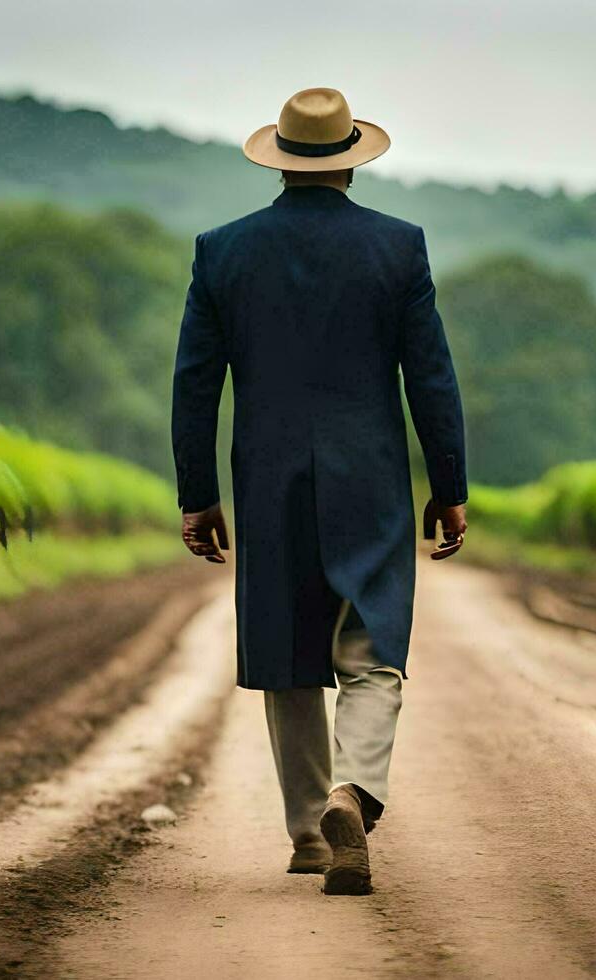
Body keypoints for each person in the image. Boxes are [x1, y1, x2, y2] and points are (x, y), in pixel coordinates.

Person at [170, 87, 468, 896]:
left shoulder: (221, 251)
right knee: (371, 648)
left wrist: (197, 495)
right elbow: (430, 379)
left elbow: (195, 385)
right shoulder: (397, 248)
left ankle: (309, 833)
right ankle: (354, 793)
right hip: (368, 477)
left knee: (288, 654)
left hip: (267, 479)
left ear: (281, 159)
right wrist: (450, 485)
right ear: (351, 160)